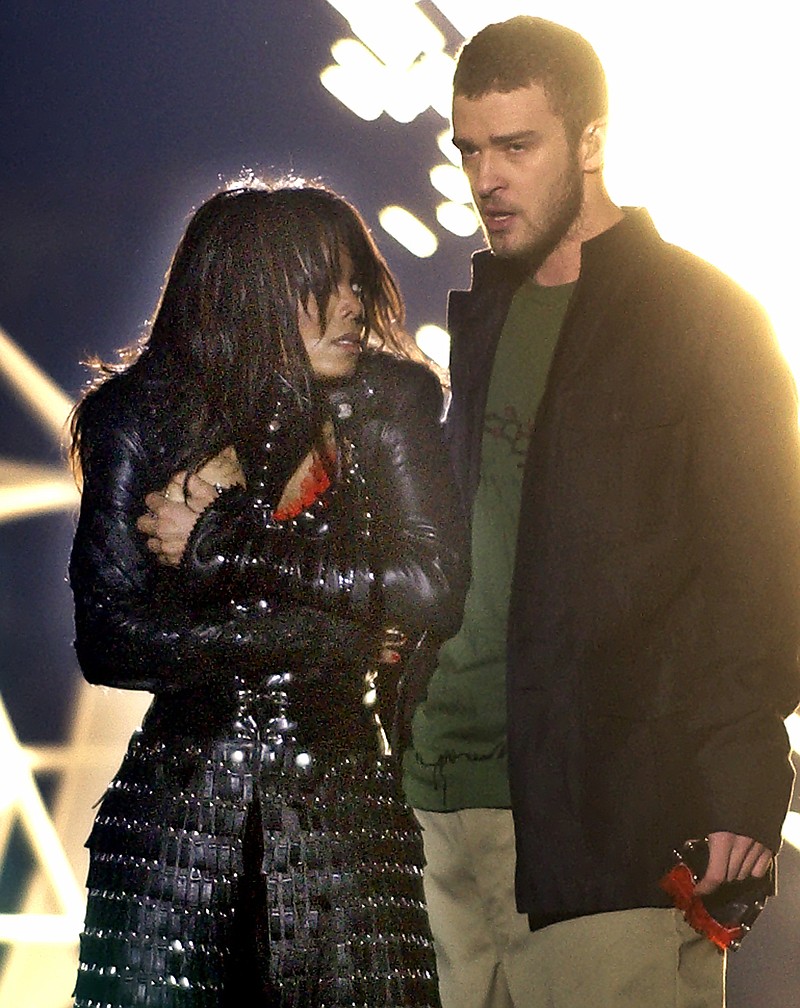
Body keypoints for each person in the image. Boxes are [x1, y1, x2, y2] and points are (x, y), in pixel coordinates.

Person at [401, 15, 800, 1008]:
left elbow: (765, 570)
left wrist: (742, 788)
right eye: (468, 149)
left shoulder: (704, 317)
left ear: (589, 141)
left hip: (606, 816)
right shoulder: (481, 316)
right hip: (434, 806)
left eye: (515, 146)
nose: (484, 176)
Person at [68, 180, 467, 1007]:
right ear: (255, 288)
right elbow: (111, 639)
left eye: (360, 283)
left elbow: (430, 586)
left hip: (343, 815)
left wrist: (224, 546)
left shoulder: (388, 403)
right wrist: (333, 637)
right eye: (329, 284)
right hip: (177, 822)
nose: (354, 306)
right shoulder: (138, 416)